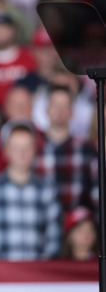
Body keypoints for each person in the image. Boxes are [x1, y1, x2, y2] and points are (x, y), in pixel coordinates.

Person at [0, 121, 61, 260]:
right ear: (5, 150)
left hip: (39, 276)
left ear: (35, 150)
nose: (22, 153)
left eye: (27, 147)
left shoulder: (47, 191)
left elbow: (53, 240)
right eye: (16, 147)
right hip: (0, 276)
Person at [34, 86, 97, 214]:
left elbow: (97, 192)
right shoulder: (34, 147)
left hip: (78, 228)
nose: (60, 111)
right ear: (47, 110)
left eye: (64, 106)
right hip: (42, 224)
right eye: (56, 105)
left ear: (72, 111)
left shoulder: (86, 148)